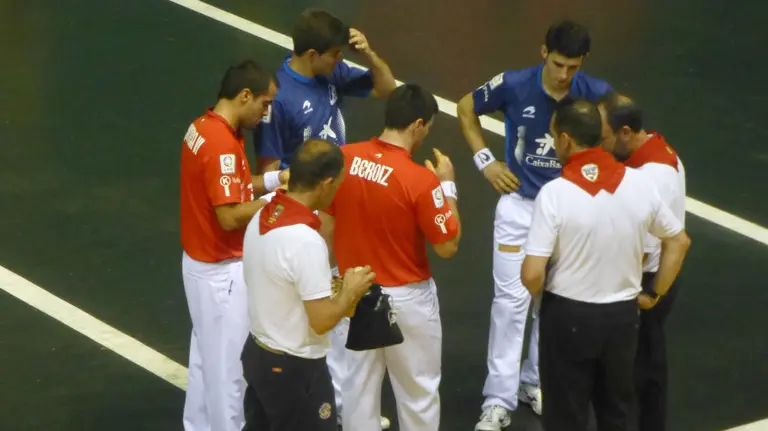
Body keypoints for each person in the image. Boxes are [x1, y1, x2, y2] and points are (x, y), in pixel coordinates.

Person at [456, 19, 614, 429]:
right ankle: (497, 400)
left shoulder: (594, 93)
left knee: (555, 304)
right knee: (510, 304)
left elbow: (619, 128)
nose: (564, 75)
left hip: (569, 212)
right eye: (559, 64)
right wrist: (486, 162)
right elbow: (466, 107)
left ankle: (534, 382)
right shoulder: (512, 84)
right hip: (519, 207)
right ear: (544, 53)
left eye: (573, 67)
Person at [253, 10, 396, 427]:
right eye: (335, 56)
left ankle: (342, 407)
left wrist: (368, 54)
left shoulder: (329, 73)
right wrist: (305, 217)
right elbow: (269, 167)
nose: (340, 62)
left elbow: (386, 87)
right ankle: (324, 407)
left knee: (333, 306)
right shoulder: (279, 99)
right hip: (305, 218)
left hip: (332, 206)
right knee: (320, 310)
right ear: (313, 54)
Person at [520, 98, 691, 431]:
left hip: (568, 316)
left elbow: (531, 274)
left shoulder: (555, 193)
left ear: (565, 139)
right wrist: (655, 294)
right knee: (617, 412)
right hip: (621, 319)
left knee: (565, 414)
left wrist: (543, 300)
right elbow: (679, 241)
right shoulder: (640, 184)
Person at [319, 84, 461, 431]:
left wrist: (331, 280)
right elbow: (448, 245)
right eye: (427, 126)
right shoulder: (422, 180)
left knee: (357, 393)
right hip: (407, 301)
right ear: (417, 125)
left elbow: (325, 225)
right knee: (418, 394)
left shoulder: (344, 159)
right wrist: (447, 187)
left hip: (355, 293)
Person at [241, 139, 376, 431]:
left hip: (259, 355)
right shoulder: (305, 241)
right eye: (339, 183)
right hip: (295, 370)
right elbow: (321, 321)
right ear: (326, 183)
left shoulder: (263, 215)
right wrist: (350, 291)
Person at [179, 60, 278, 431]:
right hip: (221, 273)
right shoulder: (222, 143)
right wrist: (278, 202)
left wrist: (271, 182)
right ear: (245, 95)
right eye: (264, 104)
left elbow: (232, 185)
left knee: (206, 363)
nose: (265, 114)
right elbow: (230, 215)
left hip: (200, 264)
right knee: (229, 376)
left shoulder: (203, 128)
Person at [598, 94, 687, 431]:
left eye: (604, 136)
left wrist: (645, 295)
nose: (600, 143)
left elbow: (646, 248)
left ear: (624, 132)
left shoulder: (651, 176)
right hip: (655, 277)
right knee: (646, 364)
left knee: (635, 375)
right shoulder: (656, 150)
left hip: (647, 280)